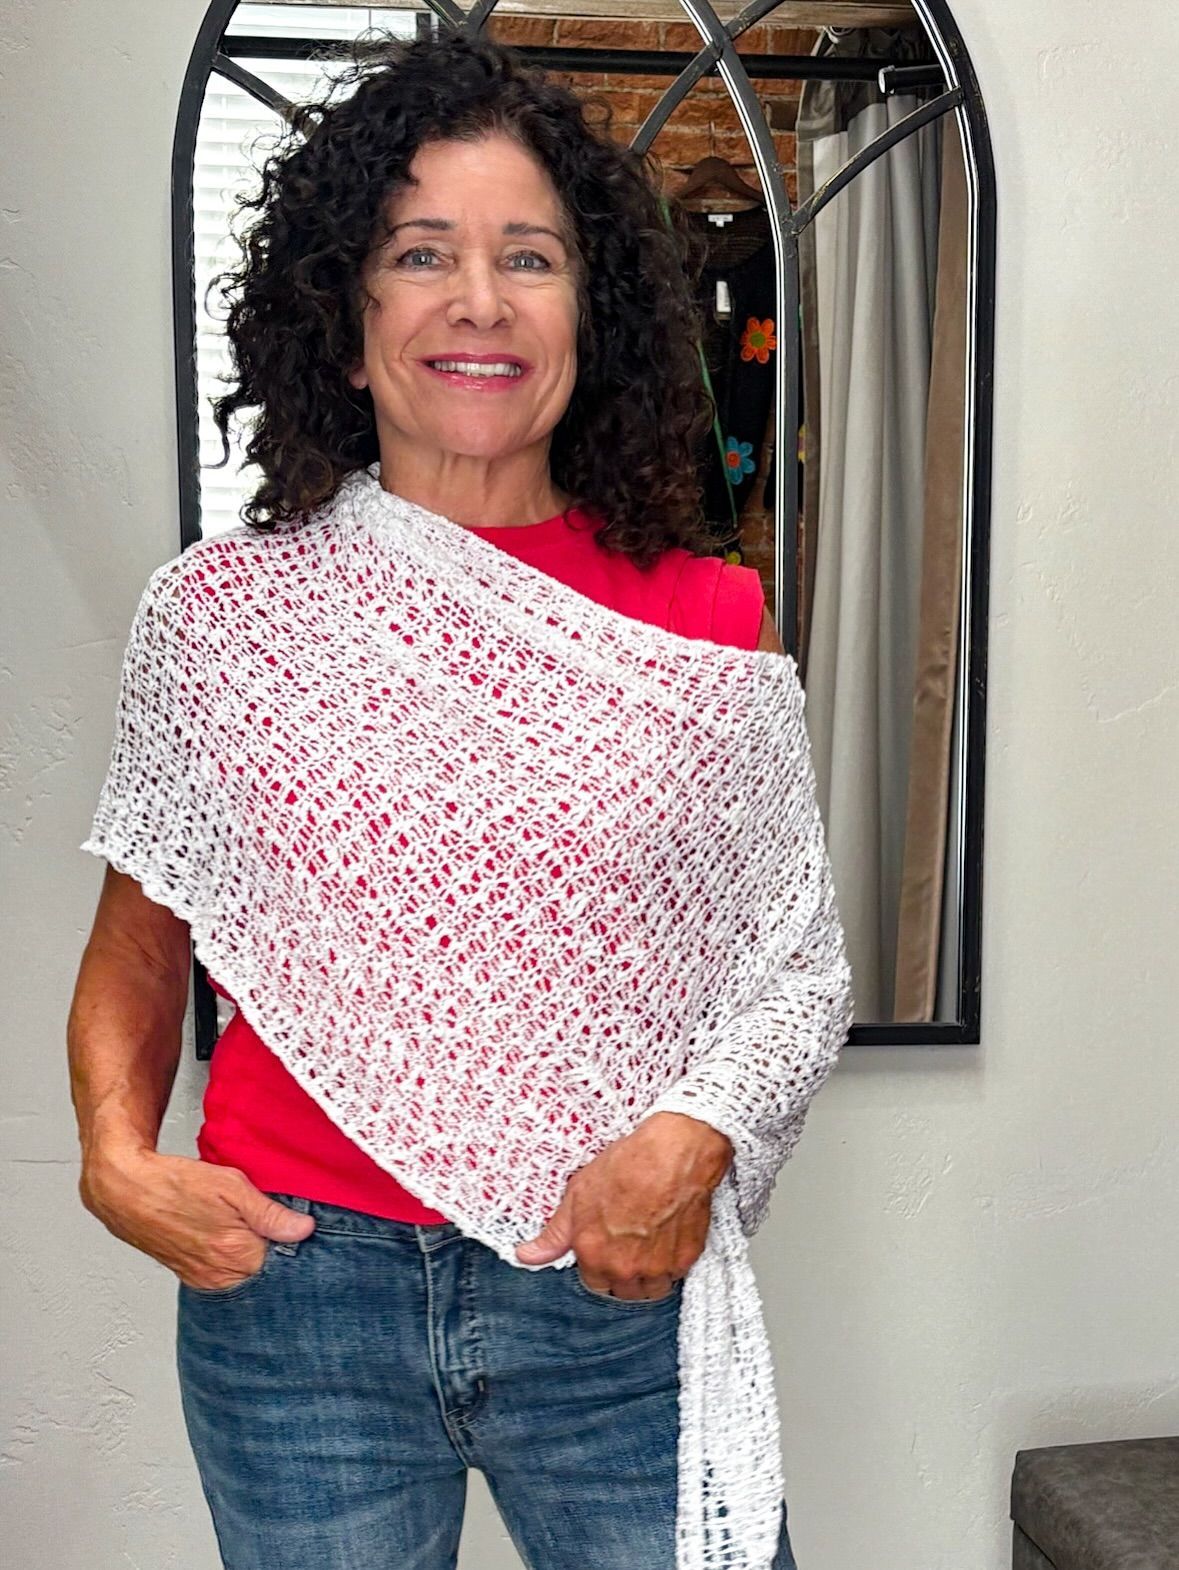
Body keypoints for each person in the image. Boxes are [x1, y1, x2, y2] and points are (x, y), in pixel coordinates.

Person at [68, 30, 850, 1570]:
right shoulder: (221, 620)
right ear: (348, 322)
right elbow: (140, 944)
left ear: (589, 318)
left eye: (529, 258)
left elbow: (795, 966)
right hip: (297, 1303)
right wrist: (114, 1152)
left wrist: (694, 1130)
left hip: (611, 1292)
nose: (479, 300)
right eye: (422, 253)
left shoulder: (704, 617)